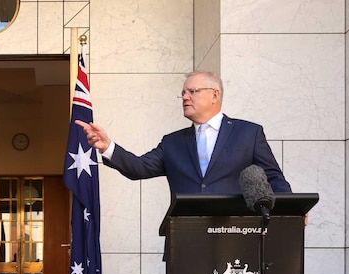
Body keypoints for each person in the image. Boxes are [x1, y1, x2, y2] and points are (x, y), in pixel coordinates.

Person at [75, 71, 291, 195]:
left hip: (235, 239)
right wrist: (107, 146)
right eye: (183, 94)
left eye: (192, 92)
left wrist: (293, 209)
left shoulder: (249, 133)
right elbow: (139, 168)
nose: (185, 97)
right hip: (185, 242)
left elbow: (273, 177)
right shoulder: (172, 143)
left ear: (215, 95)